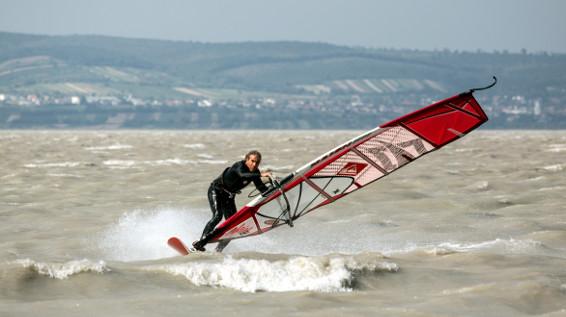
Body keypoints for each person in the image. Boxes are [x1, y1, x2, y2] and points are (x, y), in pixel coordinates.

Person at [192, 150, 271, 252]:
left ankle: (218, 250)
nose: (254, 164)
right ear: (246, 159)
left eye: (257, 162)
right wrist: (261, 175)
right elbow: (243, 175)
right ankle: (201, 242)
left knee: (234, 226)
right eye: (252, 161)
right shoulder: (239, 166)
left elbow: (261, 188)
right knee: (217, 216)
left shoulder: (255, 172)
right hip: (216, 190)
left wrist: (276, 187)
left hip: (229, 196)